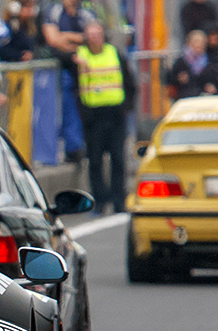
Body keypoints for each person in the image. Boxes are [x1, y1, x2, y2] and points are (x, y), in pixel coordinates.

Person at [73, 22, 135, 214]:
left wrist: (126, 108)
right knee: (96, 161)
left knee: (118, 159)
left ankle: (118, 200)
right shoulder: (80, 57)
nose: (94, 39)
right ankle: (100, 201)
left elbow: (130, 83)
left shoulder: (114, 54)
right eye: (90, 35)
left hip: (115, 114)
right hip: (93, 116)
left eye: (97, 34)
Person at [42, 0, 95, 162]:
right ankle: (71, 148)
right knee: (66, 107)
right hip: (62, 67)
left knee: (83, 108)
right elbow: (53, 40)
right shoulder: (54, 11)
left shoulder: (86, 13)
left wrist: (66, 36)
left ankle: (81, 146)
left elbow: (93, 38)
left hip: (84, 69)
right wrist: (78, 41)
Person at [168, 30, 218, 99]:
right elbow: (170, 79)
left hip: (206, 98)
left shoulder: (210, 61)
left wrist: (212, 86)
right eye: (196, 41)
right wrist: (179, 78)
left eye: (202, 42)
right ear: (189, 43)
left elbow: (217, 79)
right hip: (186, 98)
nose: (199, 44)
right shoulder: (182, 61)